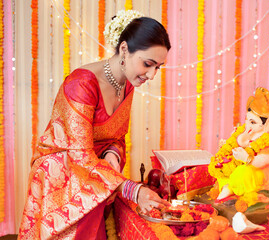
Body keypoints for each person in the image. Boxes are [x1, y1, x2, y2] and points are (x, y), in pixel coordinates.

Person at [19, 11, 171, 239]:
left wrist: (113, 155)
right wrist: (131, 189)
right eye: (148, 64)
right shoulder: (82, 84)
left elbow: (117, 136)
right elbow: (79, 155)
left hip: (97, 172)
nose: (151, 75)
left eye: (158, 67)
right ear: (123, 49)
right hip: (64, 173)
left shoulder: (127, 84)